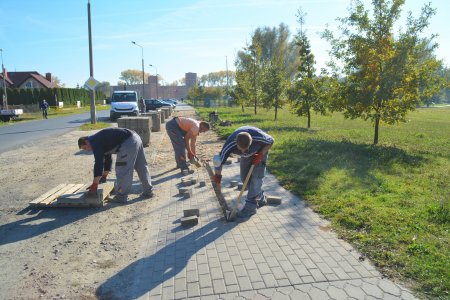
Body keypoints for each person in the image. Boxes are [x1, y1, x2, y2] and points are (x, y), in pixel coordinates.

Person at [78, 128, 154, 203]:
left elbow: (98, 163)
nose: (87, 150)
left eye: (85, 148)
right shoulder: (98, 138)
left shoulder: (94, 142)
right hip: (136, 138)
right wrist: (104, 176)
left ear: (86, 141)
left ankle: (121, 197)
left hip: (127, 143)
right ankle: (148, 191)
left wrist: (95, 184)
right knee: (141, 166)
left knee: (122, 170)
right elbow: (108, 159)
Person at [213, 126, 274, 218]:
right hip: (246, 157)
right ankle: (260, 198)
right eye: (241, 149)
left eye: (246, 148)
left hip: (259, 154)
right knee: (244, 178)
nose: (244, 151)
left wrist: (260, 154)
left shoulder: (259, 137)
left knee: (256, 180)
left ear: (251, 142)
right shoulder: (229, 144)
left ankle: (250, 208)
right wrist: (217, 179)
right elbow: (219, 163)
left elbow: (271, 141)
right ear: (236, 143)